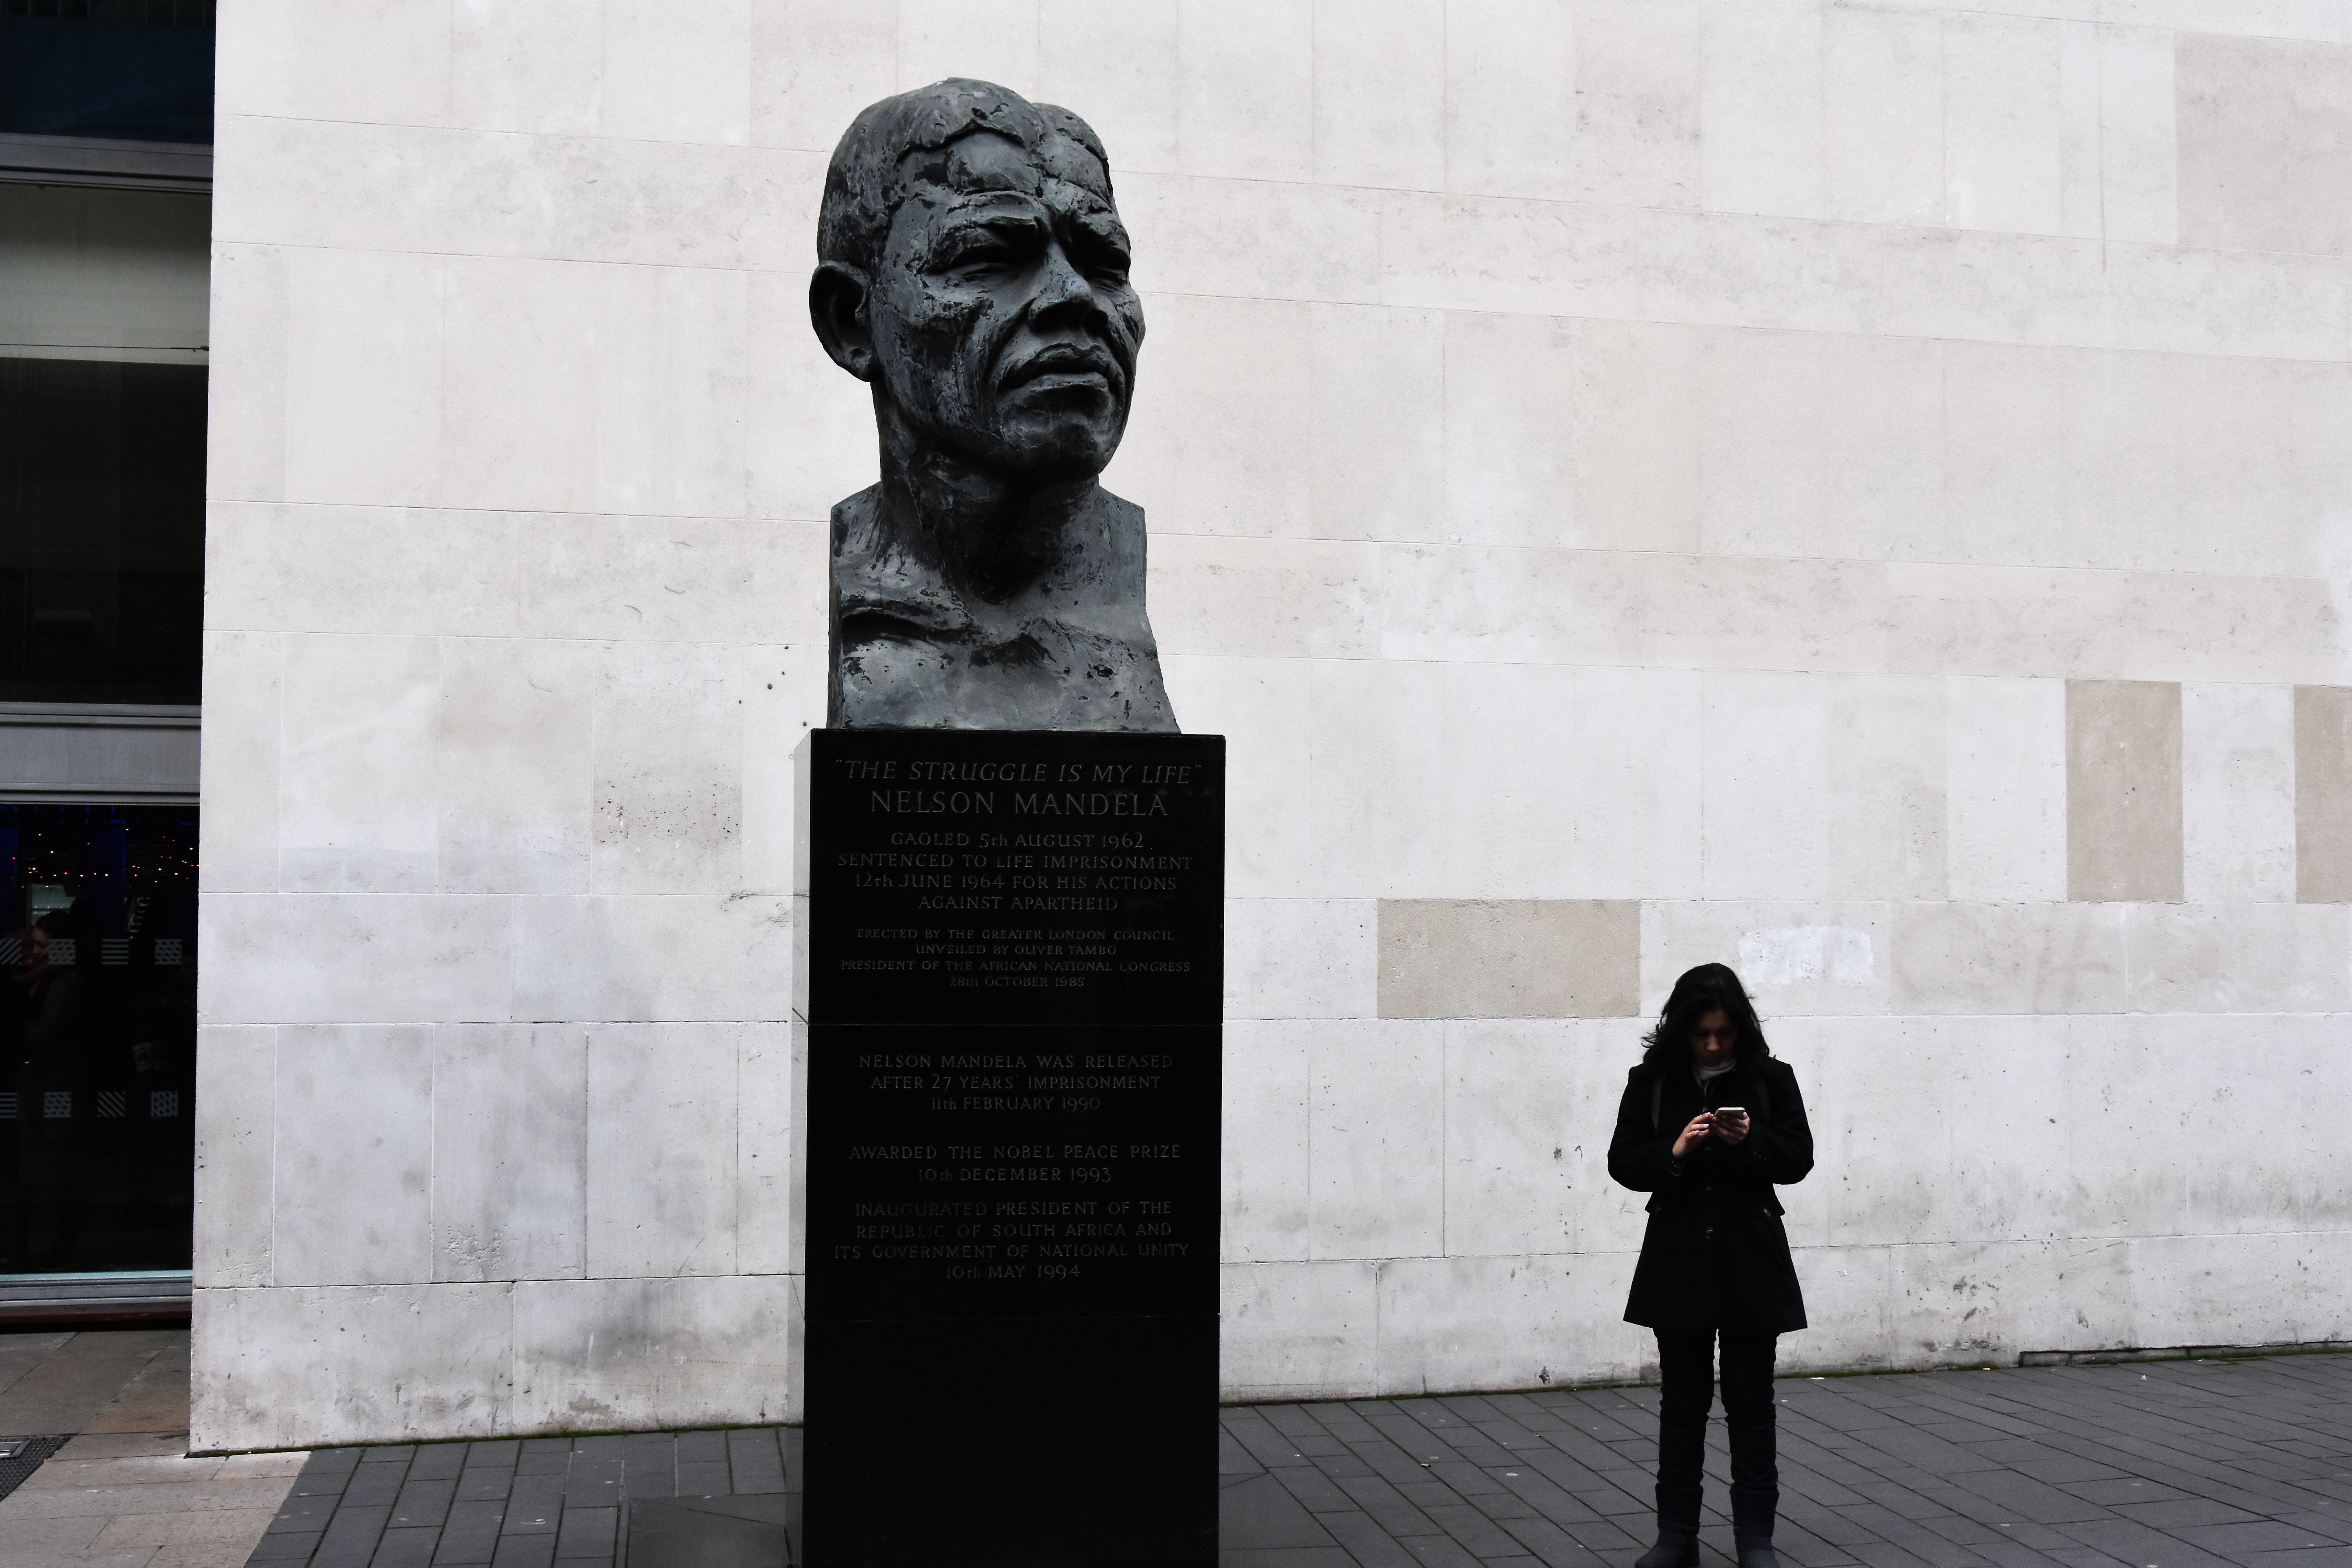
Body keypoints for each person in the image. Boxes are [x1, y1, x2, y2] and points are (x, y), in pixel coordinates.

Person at [1608, 963, 1813, 1568]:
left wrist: (1749, 1141)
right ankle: (1676, 1539)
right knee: (1682, 1405)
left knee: (1751, 1405)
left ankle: (1755, 1541)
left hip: (1751, 1258)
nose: (1715, 1045)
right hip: (1678, 1261)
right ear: (1683, 1030)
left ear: (1740, 1028)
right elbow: (1624, 1161)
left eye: (1725, 1033)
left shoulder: (1771, 1079)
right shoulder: (1652, 1081)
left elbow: (1799, 1158)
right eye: (1703, 1035)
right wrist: (1676, 1151)